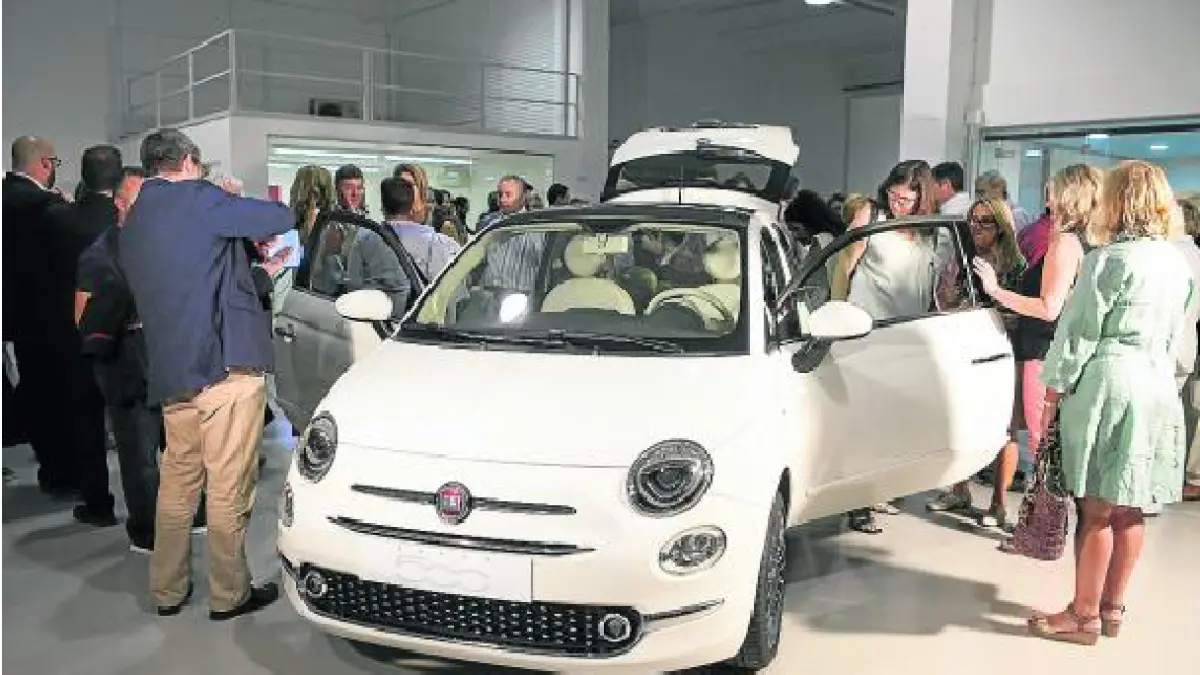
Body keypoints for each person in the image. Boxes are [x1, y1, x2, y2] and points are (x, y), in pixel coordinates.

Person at [120, 128, 291, 619]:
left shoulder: (136, 219)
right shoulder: (201, 199)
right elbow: (280, 216)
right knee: (228, 486)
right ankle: (229, 593)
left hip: (173, 372)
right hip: (224, 368)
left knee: (178, 485)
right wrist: (227, 195)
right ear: (190, 162)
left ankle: (167, 589)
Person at [1028, 161, 1193, 645]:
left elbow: (1077, 336)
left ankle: (1083, 616)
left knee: (1096, 508)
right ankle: (1112, 609)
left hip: (1110, 382)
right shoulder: (1176, 263)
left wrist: (1052, 395)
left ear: (1117, 201)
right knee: (1130, 504)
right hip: (1156, 384)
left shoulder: (1107, 260)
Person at [969, 165, 1100, 533]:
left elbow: (1048, 307)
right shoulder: (1090, 241)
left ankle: (1042, 530)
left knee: (1044, 444)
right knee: (1051, 442)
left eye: (1053, 190)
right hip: (1064, 349)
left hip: (1042, 350)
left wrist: (996, 291)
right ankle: (1048, 526)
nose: (1047, 196)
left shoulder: (1065, 242)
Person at [47, 145, 137, 526]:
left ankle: (98, 505)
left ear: (83, 175)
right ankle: (157, 509)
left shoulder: (59, 219)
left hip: (78, 332)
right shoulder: (133, 219)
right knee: (141, 429)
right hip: (131, 334)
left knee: (86, 422)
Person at [926, 199, 1026, 528]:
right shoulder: (963, 258)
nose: (977, 227)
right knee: (961, 420)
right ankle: (959, 489)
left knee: (1005, 429)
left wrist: (992, 295)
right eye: (973, 221)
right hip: (965, 347)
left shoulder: (1015, 265)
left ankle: (998, 503)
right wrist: (948, 296)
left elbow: (1019, 313)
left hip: (1001, 350)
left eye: (985, 221)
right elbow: (946, 302)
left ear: (1001, 226)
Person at [3, 135, 75, 496]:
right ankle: (63, 472)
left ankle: (52, 468)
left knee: (34, 390)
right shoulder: (44, 206)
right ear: (45, 164)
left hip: (18, 317)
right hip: (52, 316)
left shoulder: (5, 198)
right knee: (60, 397)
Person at [381, 178, 461, 283]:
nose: (429, 206)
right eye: (426, 201)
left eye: (431, 201)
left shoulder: (370, 241)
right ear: (412, 208)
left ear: (382, 208)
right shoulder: (443, 243)